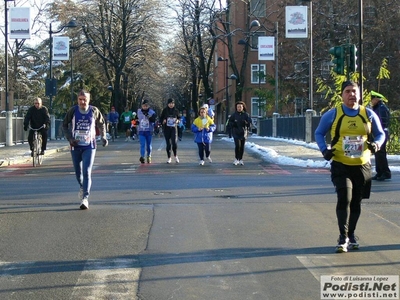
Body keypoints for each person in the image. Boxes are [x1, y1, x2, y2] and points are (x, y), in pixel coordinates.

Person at [315, 81, 385, 253]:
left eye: (354, 91)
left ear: (360, 95)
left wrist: (376, 144)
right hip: (340, 164)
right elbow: (319, 132)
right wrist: (324, 150)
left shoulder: (368, 114)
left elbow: (381, 133)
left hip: (362, 165)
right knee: (344, 197)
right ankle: (342, 236)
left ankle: (351, 234)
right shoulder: (333, 114)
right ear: (342, 95)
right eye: (347, 91)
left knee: (356, 202)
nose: (351, 95)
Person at [62, 90, 108, 210]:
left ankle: (85, 198)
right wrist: (70, 139)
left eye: (85, 99)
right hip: (75, 146)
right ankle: (83, 187)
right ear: (78, 100)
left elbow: (101, 123)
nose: (82, 102)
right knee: (78, 173)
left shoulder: (94, 111)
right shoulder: (73, 111)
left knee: (87, 171)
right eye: (80, 99)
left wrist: (103, 136)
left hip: (89, 146)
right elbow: (64, 125)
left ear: (89, 100)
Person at [370, 90, 391, 181]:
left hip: (381, 133)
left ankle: (385, 172)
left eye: (372, 99)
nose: (371, 101)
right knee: (378, 154)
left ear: (377, 99)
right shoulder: (378, 108)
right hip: (378, 133)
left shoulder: (381, 108)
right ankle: (379, 172)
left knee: (381, 154)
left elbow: (382, 122)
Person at [227, 101, 252, 165]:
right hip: (236, 132)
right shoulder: (233, 115)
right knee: (237, 146)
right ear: (236, 107)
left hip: (243, 133)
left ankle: (240, 159)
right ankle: (236, 159)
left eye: (240, 107)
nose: (239, 108)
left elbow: (250, 123)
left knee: (242, 147)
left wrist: (246, 123)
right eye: (238, 107)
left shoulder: (246, 115)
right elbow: (229, 123)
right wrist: (233, 124)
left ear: (243, 107)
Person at [160, 98, 180, 163]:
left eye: (172, 103)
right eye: (170, 103)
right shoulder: (165, 110)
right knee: (168, 144)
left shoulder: (176, 110)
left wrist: (177, 121)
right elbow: (161, 118)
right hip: (167, 128)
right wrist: (163, 121)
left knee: (174, 143)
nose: (171, 105)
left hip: (174, 128)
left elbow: (179, 118)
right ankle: (169, 158)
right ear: (168, 104)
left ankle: (175, 155)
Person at [137, 99, 156, 163]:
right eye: (144, 106)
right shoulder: (139, 111)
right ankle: (142, 157)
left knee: (148, 145)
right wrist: (135, 122)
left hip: (149, 131)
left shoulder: (152, 112)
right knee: (142, 144)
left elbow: (153, 120)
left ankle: (149, 156)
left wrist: (149, 117)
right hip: (141, 130)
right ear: (142, 106)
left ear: (148, 106)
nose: (145, 107)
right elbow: (135, 119)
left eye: (146, 106)